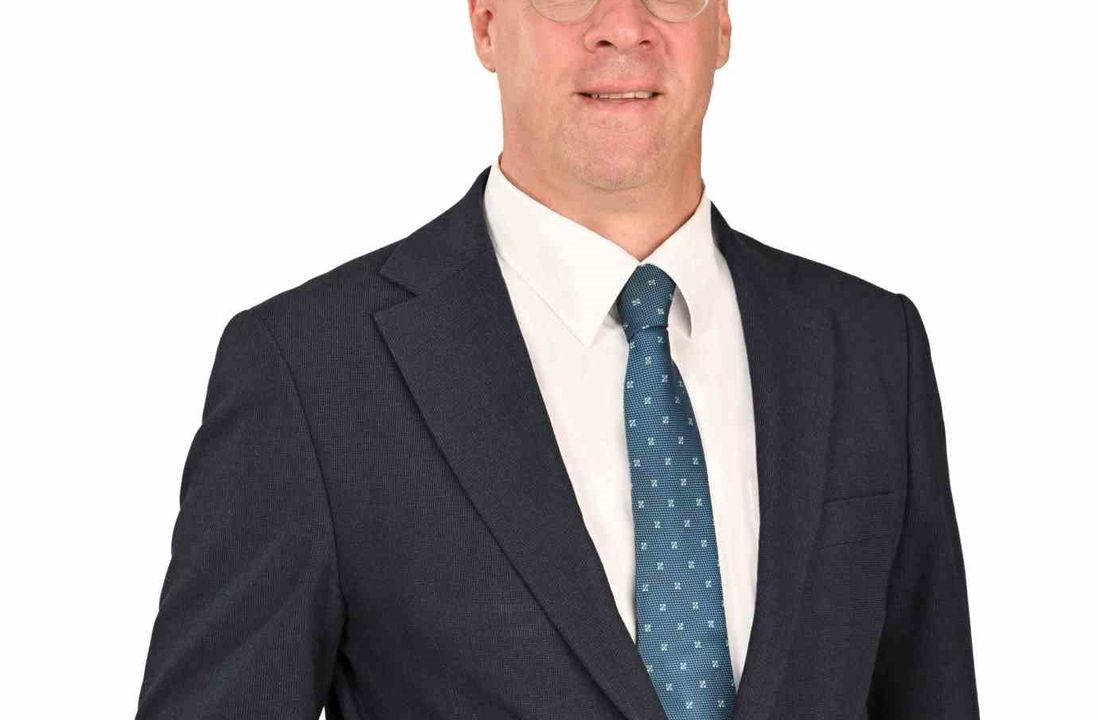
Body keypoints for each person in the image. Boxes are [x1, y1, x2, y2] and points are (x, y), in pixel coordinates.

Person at [133, 0, 980, 717]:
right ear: (485, 23)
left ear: (723, 23)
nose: (623, 25)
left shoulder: (872, 348)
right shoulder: (311, 373)